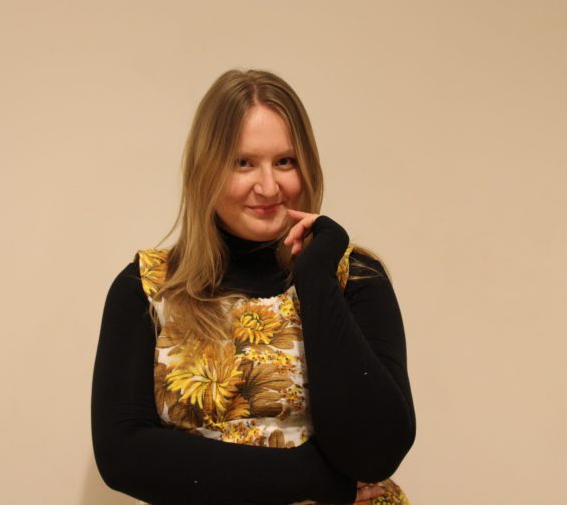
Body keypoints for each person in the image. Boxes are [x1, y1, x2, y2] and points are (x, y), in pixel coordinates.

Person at [92, 69, 416, 504]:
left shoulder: (353, 277)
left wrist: (315, 277)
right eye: (243, 163)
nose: (268, 187)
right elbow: (124, 455)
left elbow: (376, 452)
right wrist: (317, 479)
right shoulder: (149, 289)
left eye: (285, 161)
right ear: (206, 169)